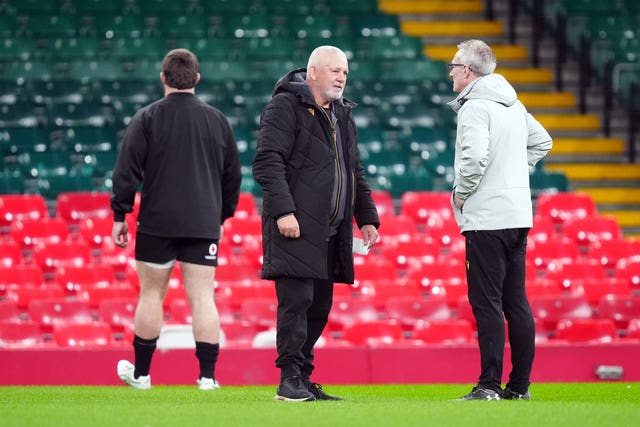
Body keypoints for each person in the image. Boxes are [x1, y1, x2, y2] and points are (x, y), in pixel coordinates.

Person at [252, 45, 380, 402]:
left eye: (345, 72)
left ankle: (304, 377)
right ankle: (288, 380)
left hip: (332, 230)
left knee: (319, 308)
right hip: (295, 225)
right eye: (335, 70)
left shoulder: (342, 113)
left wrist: (366, 217)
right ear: (313, 72)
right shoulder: (285, 105)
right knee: (296, 304)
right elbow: (267, 162)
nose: (342, 77)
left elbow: (354, 170)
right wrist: (283, 212)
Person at [110, 48, 242, 391]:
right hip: (202, 222)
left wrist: (120, 214)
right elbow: (233, 176)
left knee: (151, 295)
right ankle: (208, 378)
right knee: (203, 298)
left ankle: (141, 375)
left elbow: (126, 170)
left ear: (163, 78)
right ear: (197, 79)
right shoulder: (217, 120)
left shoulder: (147, 117)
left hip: (157, 221)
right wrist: (223, 215)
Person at [447, 40, 552, 400]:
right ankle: (519, 387)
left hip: (487, 219)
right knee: (516, 303)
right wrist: (512, 174)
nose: (450, 72)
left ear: (467, 71)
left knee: (486, 302)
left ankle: (488, 385)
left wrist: (462, 193)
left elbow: (474, 159)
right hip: (518, 215)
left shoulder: (475, 108)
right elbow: (543, 142)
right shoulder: (514, 104)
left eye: (453, 65)